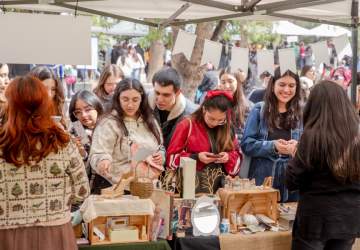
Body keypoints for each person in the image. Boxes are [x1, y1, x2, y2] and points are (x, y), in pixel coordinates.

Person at [0, 76, 89, 250]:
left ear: (10, 105)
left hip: (6, 232)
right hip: (55, 231)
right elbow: (82, 191)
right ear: (45, 103)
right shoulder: (63, 142)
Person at [286, 81, 360, 250]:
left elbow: (292, 181)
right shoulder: (357, 136)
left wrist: (294, 154)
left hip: (315, 220)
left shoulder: (312, 137)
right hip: (348, 218)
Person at [89, 78, 165, 193]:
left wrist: (161, 155)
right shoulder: (109, 123)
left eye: (135, 100)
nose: (130, 105)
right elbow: (99, 152)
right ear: (118, 98)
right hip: (118, 188)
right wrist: (103, 161)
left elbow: (160, 146)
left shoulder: (150, 121)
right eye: (125, 99)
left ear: (142, 99)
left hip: (147, 187)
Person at [241, 68, 302, 202]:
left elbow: (308, 147)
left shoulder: (301, 113)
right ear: (273, 84)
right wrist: (273, 146)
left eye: (291, 86)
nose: (286, 90)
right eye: (282, 84)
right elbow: (246, 144)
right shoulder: (259, 109)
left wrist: (297, 147)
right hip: (262, 181)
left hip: (291, 183)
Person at [166, 90, 242, 194]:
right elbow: (171, 159)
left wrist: (228, 157)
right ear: (204, 109)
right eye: (211, 118)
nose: (215, 123)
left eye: (221, 120)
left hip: (219, 191)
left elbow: (238, 156)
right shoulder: (187, 125)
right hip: (189, 190)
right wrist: (196, 157)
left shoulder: (228, 128)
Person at [149, 67, 198, 149]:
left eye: (166, 95)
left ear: (178, 93)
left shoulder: (191, 114)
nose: (160, 99)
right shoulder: (143, 101)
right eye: (157, 93)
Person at [69, 90, 104, 181]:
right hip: (88, 183)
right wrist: (83, 154)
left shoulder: (108, 125)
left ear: (97, 107)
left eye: (88, 109)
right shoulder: (77, 129)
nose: (83, 115)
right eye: (78, 112)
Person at [218, 67, 252, 141]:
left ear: (238, 82)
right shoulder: (215, 102)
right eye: (223, 82)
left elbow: (244, 136)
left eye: (230, 81)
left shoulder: (248, 107)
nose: (226, 86)